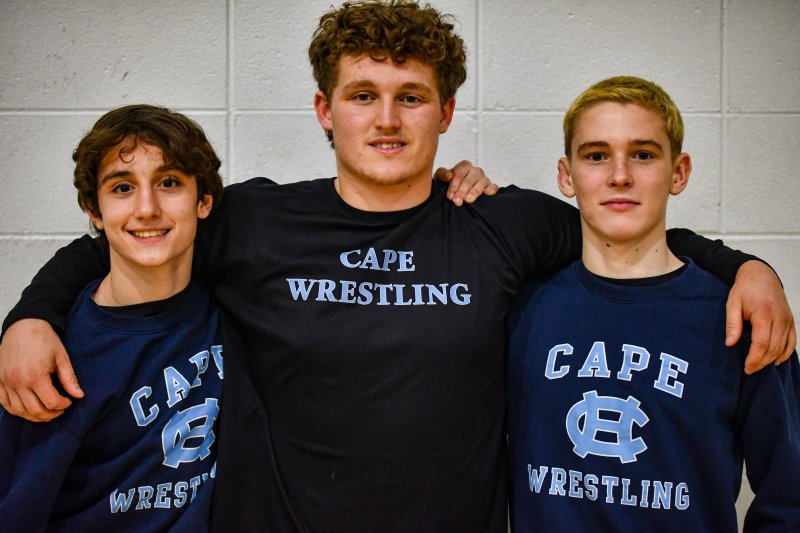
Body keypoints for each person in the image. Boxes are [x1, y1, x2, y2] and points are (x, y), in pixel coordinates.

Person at [0, 2, 794, 531]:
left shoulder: (501, 222)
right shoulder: (256, 220)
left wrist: (746, 267)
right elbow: (128, 235)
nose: (386, 119)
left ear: (445, 112)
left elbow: (621, 224)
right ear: (324, 110)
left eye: (411, 96)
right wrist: (31, 316)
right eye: (362, 95)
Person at [507, 76, 800, 532]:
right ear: (566, 175)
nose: (619, 175)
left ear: (678, 173)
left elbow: (790, 495)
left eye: (643, 155)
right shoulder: (520, 309)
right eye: (596, 155)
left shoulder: (741, 315)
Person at [0, 104, 226, 530]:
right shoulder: (56, 357)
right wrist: (27, 319)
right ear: (94, 210)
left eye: (169, 183)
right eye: (122, 187)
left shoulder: (234, 302)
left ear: (204, 201)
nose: (147, 208)